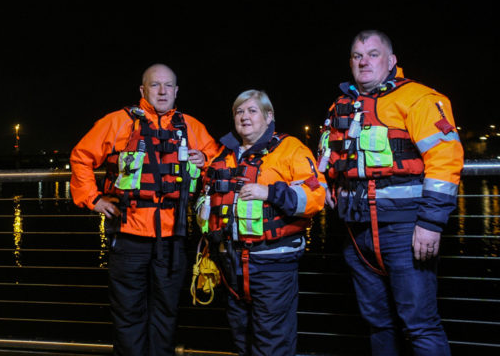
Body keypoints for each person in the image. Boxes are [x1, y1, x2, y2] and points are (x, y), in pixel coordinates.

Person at [317, 30, 464, 355]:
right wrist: (324, 182)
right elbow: (328, 157)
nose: (364, 61)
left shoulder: (418, 98)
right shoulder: (340, 106)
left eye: (372, 54)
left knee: (420, 325)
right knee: (378, 324)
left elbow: (446, 158)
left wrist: (431, 222)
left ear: (391, 60)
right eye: (357, 55)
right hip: (356, 235)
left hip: (405, 231)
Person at [70, 63, 220, 356]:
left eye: (168, 86)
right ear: (143, 90)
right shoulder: (116, 122)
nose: (162, 91)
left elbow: (218, 166)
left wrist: (205, 159)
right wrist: (93, 198)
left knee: (166, 315)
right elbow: (81, 157)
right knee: (128, 316)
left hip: (173, 237)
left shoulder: (192, 127)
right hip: (128, 235)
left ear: (177, 91)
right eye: (155, 85)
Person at [198, 89, 325, 356]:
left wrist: (270, 192)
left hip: (272, 264)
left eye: (252, 111)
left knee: (272, 342)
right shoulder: (224, 156)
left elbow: (317, 195)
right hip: (230, 264)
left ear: (269, 117)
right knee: (241, 338)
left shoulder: (291, 149)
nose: (244, 117)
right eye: (239, 111)